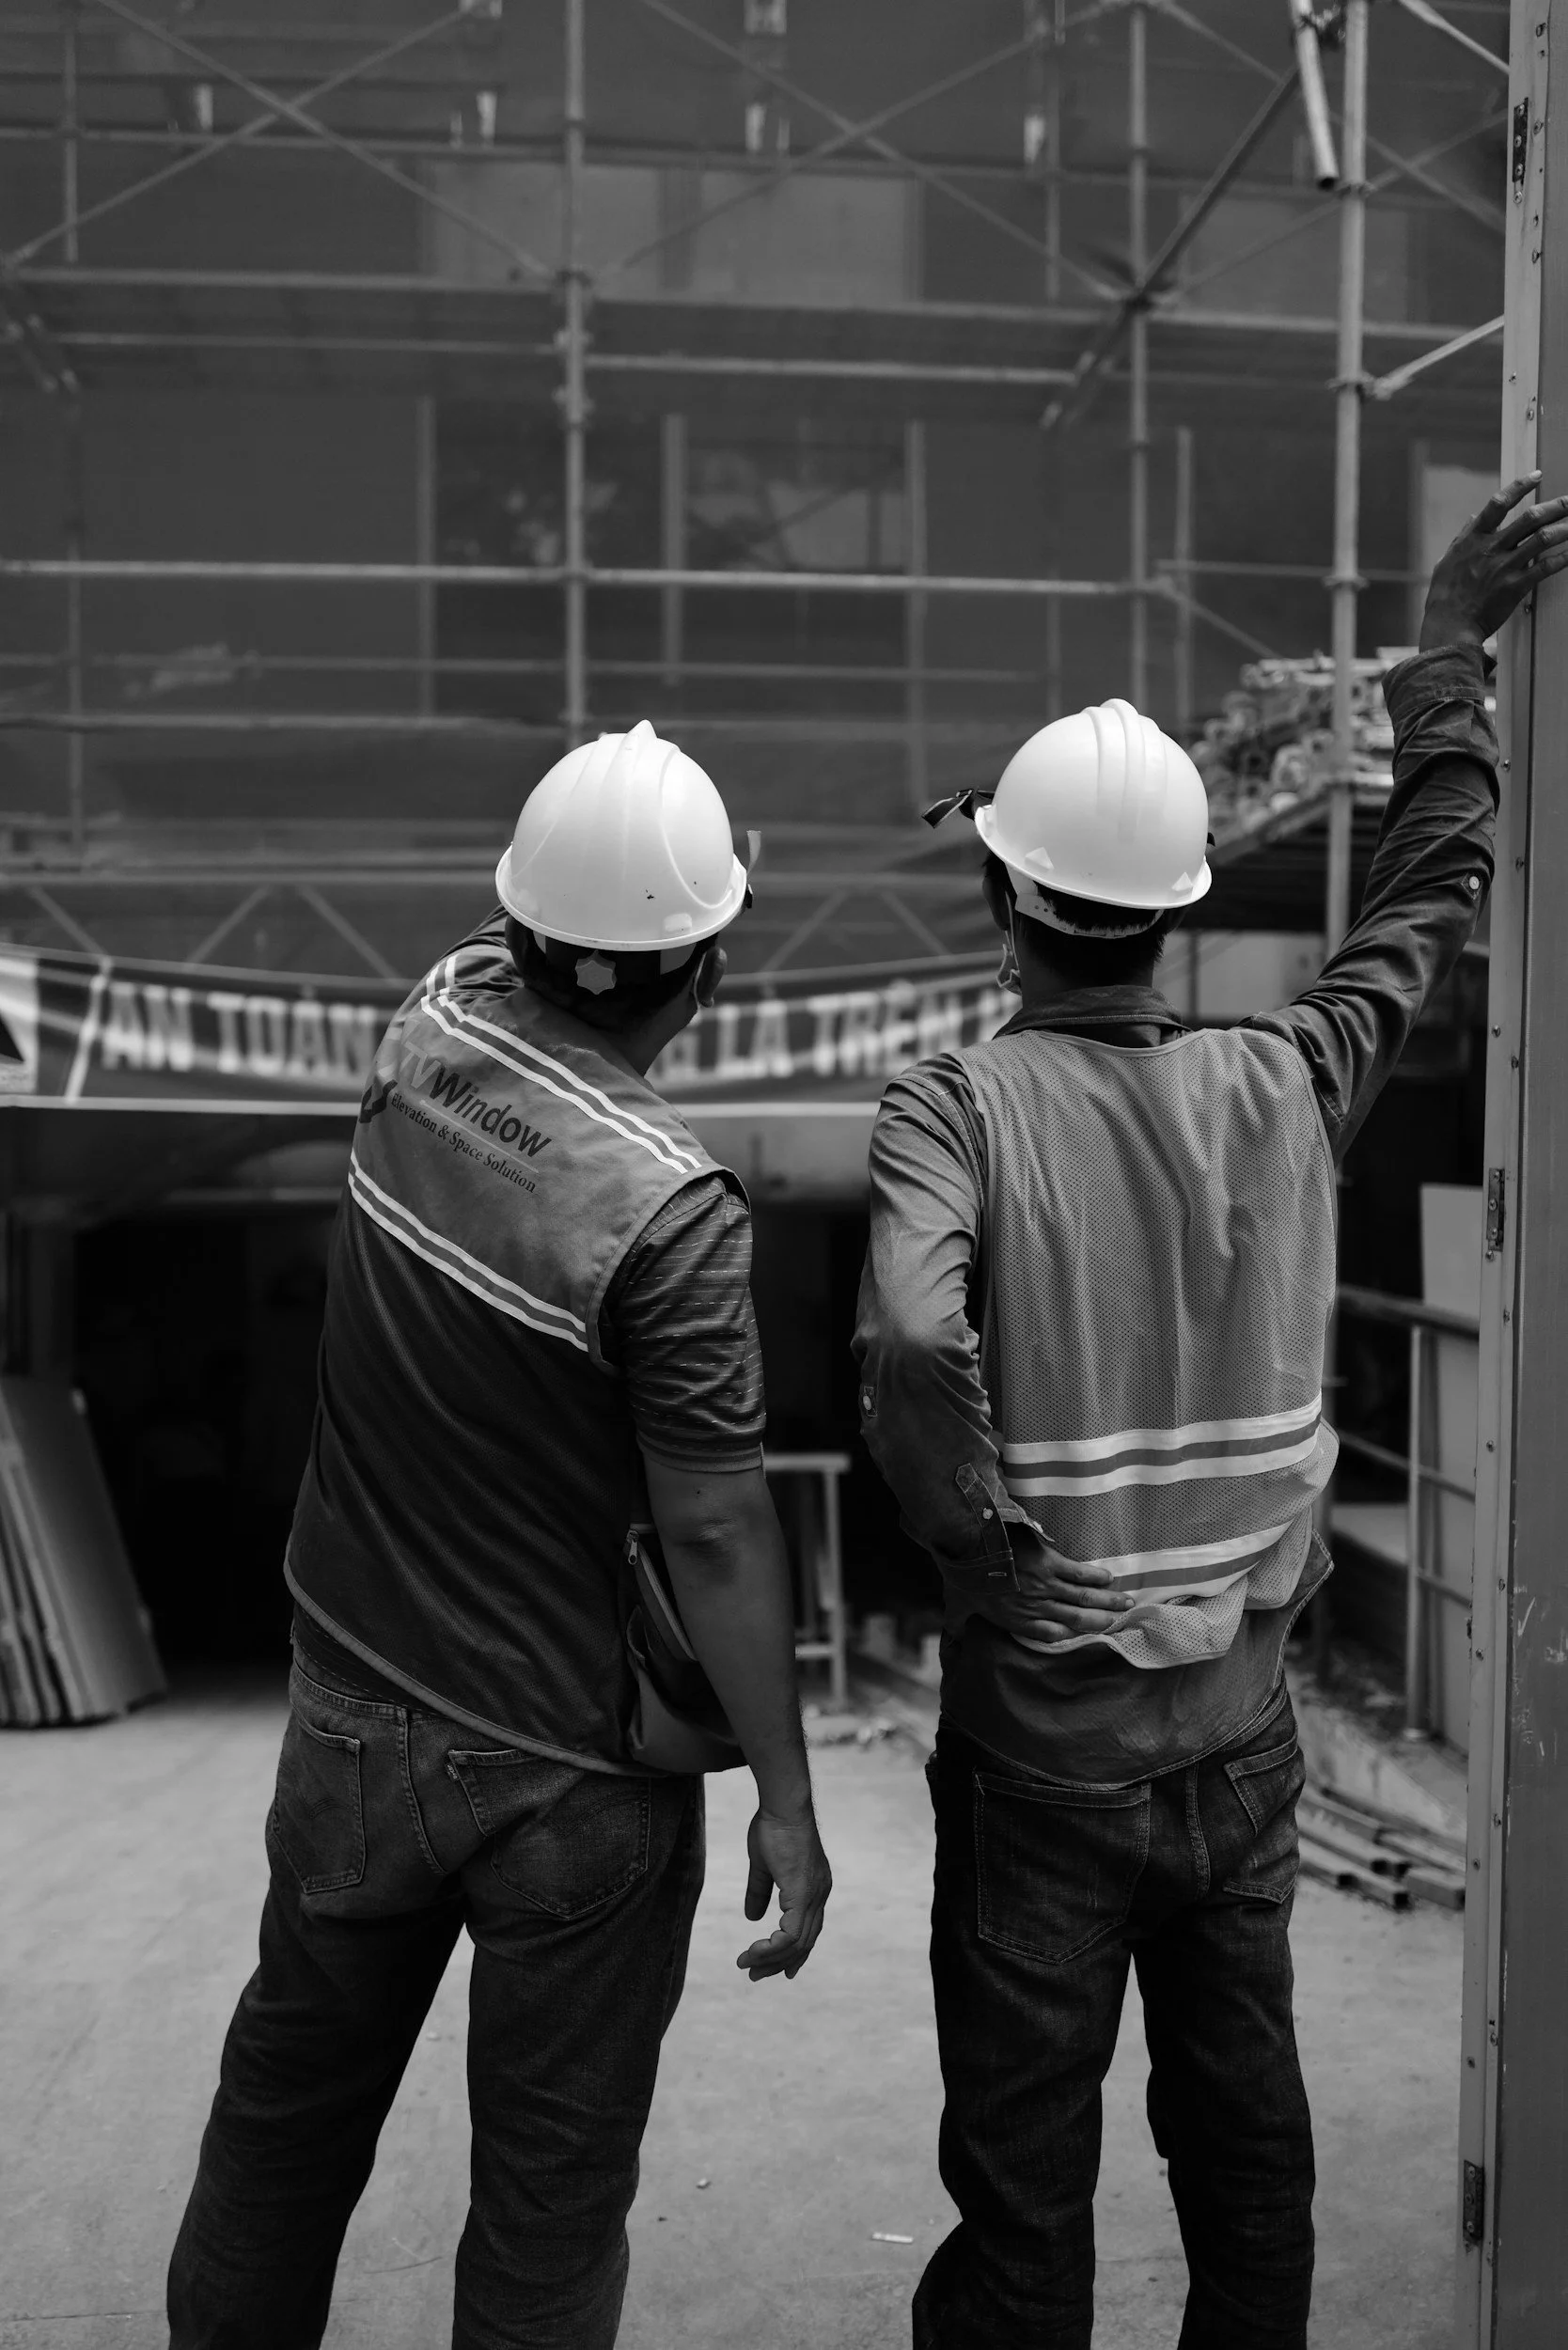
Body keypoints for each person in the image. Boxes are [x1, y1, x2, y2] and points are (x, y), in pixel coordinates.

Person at [854, 477, 1568, 2350]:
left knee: (1026, 2189)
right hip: (1243, 1741)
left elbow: (916, 1345)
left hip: (1041, 1750)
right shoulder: (1289, 1077)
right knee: (1248, 2155)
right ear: (1177, 914)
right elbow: (1429, 896)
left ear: (1008, 900)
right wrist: (1445, 656)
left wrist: (981, 1546)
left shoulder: (952, 1112)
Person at [168, 720, 833, 2350]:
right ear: (707, 974)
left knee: (280, 2132)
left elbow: (543, 930)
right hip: (572, 1776)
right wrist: (789, 1795)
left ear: (521, 925)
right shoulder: (673, 1211)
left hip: (351, 1717)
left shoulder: (431, 1020)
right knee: (550, 2198)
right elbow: (718, 1533)